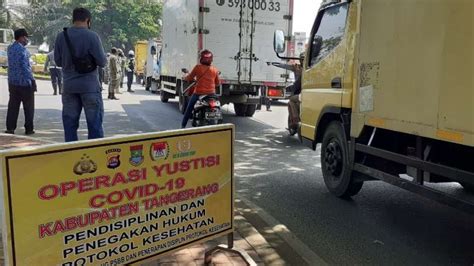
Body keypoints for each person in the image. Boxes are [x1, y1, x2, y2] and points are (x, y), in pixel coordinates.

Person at [54, 7, 107, 142]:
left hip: (69, 87)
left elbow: (58, 61)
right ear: (88, 20)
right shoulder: (92, 36)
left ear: (73, 19)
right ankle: (95, 156)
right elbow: (102, 62)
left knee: (70, 126)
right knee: (94, 125)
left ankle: (72, 157)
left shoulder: (61, 36)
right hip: (90, 87)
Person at [5, 28, 36, 135]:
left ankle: (10, 127)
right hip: (24, 83)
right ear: (22, 37)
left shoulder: (10, 48)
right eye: (26, 37)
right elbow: (25, 67)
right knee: (29, 107)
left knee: (13, 106)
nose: (27, 40)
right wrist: (32, 80)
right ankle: (29, 128)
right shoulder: (23, 50)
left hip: (12, 82)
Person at [181, 50, 220, 128]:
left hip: (199, 93)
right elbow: (218, 83)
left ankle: (183, 126)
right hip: (211, 94)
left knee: (189, 108)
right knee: (218, 106)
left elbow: (190, 77)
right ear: (211, 59)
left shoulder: (197, 67)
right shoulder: (215, 70)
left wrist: (185, 77)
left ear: (201, 58)